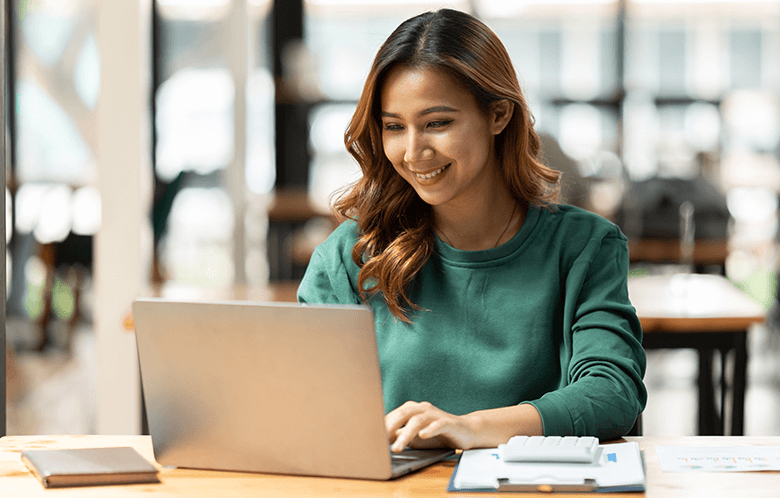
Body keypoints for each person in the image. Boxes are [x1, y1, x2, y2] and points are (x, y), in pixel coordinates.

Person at [297, 8, 646, 452]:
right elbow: (309, 408)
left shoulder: (585, 247)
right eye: (393, 127)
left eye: (437, 123)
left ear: (498, 115)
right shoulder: (348, 257)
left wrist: (472, 428)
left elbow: (613, 393)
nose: (413, 151)